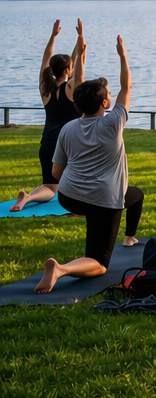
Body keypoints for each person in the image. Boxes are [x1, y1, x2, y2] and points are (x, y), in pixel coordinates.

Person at [34, 35, 141, 293]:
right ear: (105, 103)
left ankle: (129, 236)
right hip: (103, 199)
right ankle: (62, 269)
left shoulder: (68, 128)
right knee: (100, 263)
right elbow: (127, 87)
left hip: (69, 198)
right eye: (109, 97)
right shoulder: (112, 123)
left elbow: (55, 172)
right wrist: (122, 54)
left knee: (135, 195)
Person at [12, 19, 84, 212]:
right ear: (68, 70)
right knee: (77, 180)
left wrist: (53, 36)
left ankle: (28, 197)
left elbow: (46, 59)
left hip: (47, 143)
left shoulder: (45, 88)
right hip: (68, 143)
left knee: (51, 187)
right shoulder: (71, 88)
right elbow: (79, 66)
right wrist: (80, 37)